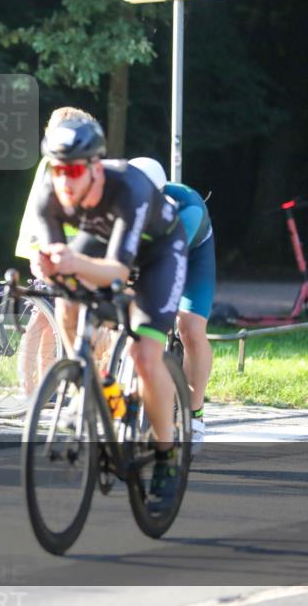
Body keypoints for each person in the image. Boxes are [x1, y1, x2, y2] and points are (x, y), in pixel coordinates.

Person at [30, 118, 188, 512]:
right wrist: (50, 264)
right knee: (67, 300)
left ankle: (167, 457)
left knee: (145, 356)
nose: (64, 179)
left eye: (75, 170)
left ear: (95, 167)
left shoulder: (129, 187)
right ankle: (98, 385)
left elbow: (118, 270)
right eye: (57, 168)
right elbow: (58, 263)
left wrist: (70, 261)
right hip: (103, 238)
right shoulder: (48, 191)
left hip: (159, 252)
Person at [129, 157, 215, 453]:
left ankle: (196, 413)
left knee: (189, 327)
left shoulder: (187, 209)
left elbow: (168, 262)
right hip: (153, 251)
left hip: (191, 255)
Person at [13, 107, 94, 395]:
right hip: (47, 248)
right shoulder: (55, 162)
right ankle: (29, 386)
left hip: (56, 246)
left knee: (48, 320)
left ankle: (44, 385)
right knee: (42, 318)